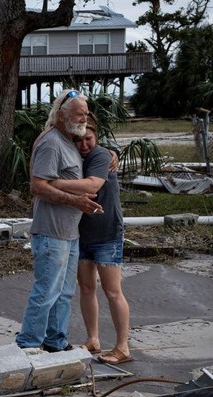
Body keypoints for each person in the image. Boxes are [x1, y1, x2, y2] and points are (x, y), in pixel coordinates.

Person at [15, 91, 104, 353]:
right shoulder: (52, 143)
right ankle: (28, 344)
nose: (84, 117)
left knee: (64, 293)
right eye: (79, 113)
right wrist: (75, 201)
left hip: (69, 233)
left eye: (86, 113)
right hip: (51, 232)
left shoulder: (70, 140)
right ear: (62, 114)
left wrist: (111, 154)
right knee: (46, 292)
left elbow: (94, 147)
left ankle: (55, 341)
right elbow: (37, 187)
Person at [70, 118, 132, 364]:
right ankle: (93, 339)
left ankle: (123, 346)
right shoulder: (74, 158)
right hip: (81, 234)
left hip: (107, 233)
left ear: (96, 138)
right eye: (78, 139)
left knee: (113, 291)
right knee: (86, 288)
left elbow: (92, 188)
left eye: (88, 139)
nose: (84, 144)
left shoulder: (102, 156)